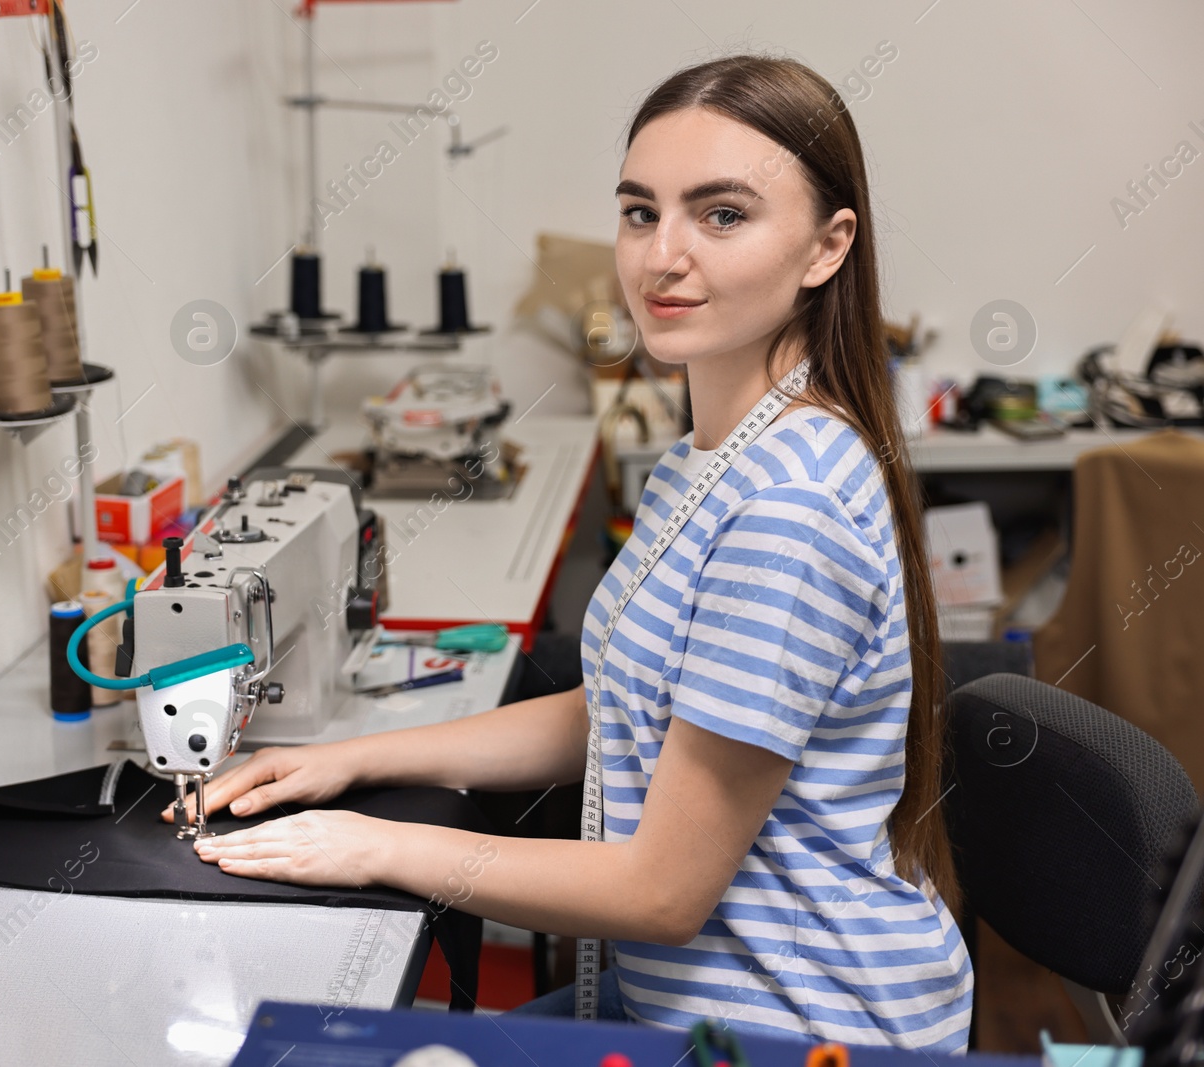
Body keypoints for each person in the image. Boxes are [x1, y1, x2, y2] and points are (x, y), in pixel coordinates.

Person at [177, 54, 973, 1051]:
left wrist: (378, 842)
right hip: (697, 1000)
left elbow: (661, 892)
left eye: (720, 215)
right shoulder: (717, 453)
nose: (661, 256)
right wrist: (340, 761)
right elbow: (622, 706)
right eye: (641, 212)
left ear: (826, 246)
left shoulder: (788, 509)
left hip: (802, 1027)